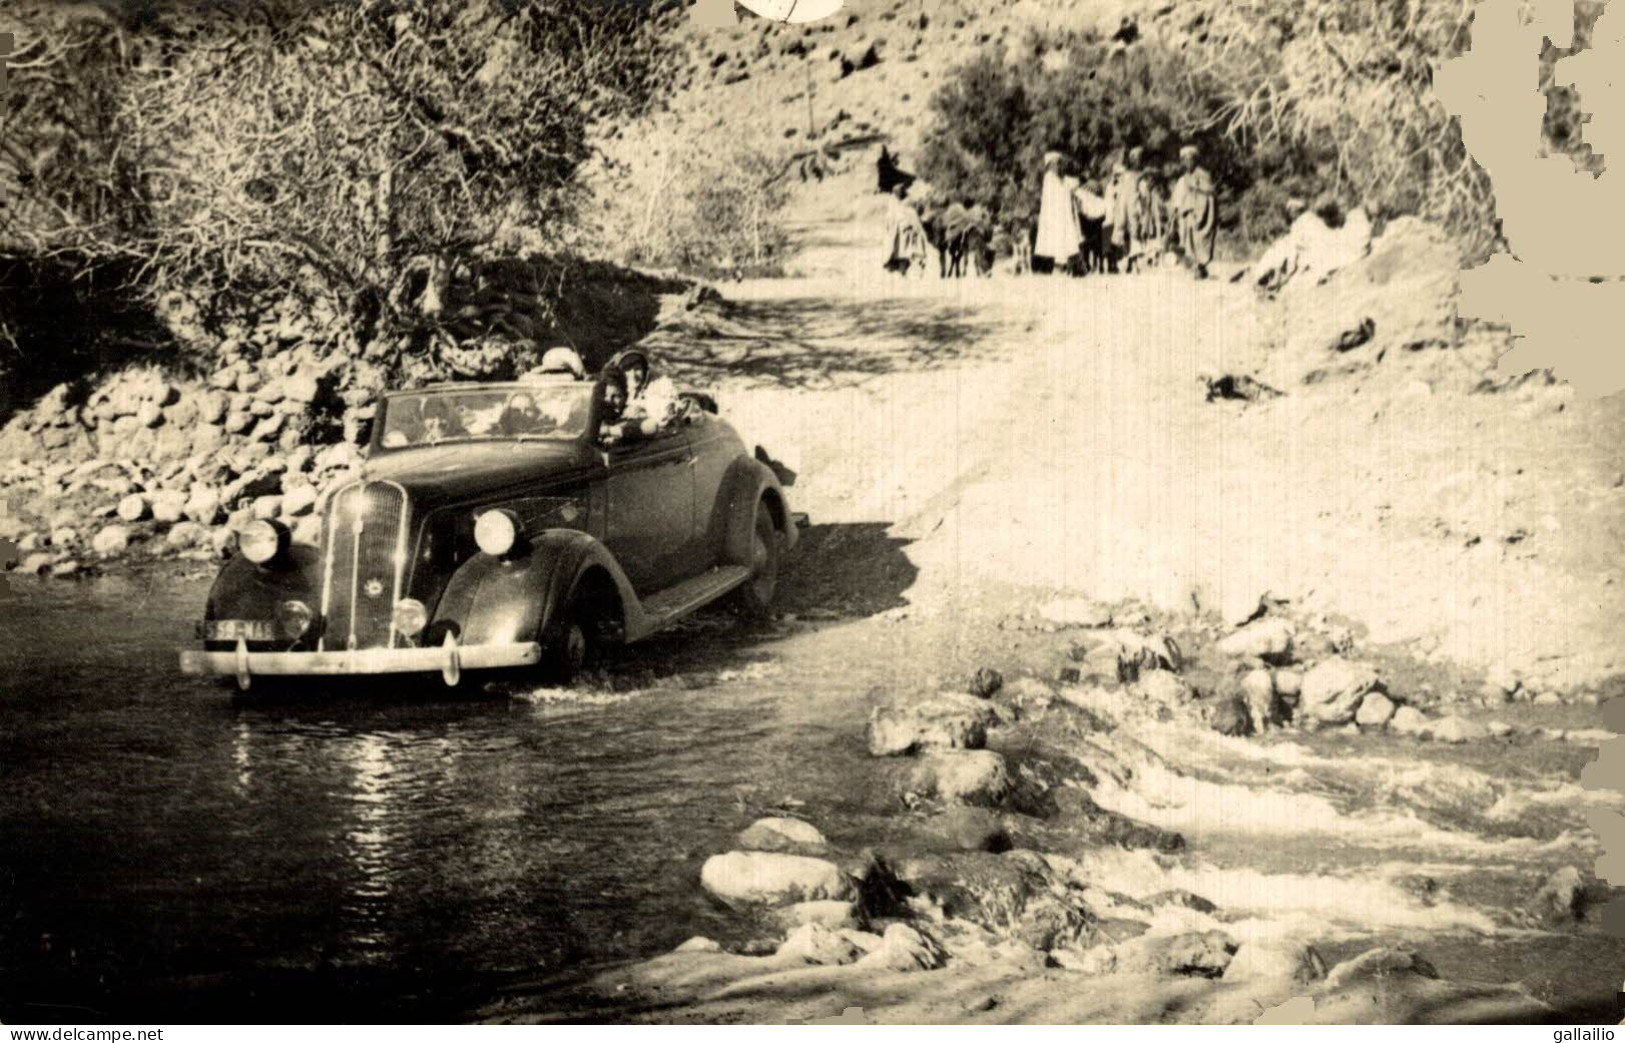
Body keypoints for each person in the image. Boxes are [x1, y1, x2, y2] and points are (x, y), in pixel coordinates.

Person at [1170, 144, 1218, 277]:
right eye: (1184, 160)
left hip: (1203, 214)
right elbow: (1181, 197)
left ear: (1195, 160)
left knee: (1201, 241)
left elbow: (1209, 194)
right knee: (1189, 242)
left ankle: (1201, 266)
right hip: (1189, 214)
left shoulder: (1203, 175)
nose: (1187, 163)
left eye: (1190, 159)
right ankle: (1197, 267)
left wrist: (1200, 212)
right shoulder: (1185, 178)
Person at [1033, 151, 1082, 274]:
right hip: (1056, 217)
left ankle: (1070, 266)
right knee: (1060, 242)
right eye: (1057, 163)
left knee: (1067, 241)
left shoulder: (1057, 179)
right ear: (1051, 164)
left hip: (1062, 216)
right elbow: (1062, 192)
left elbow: (1071, 184)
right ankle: (1061, 267)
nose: (1059, 165)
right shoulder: (1049, 178)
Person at [880, 184, 931, 278]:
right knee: (909, 254)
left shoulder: (894, 208)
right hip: (907, 236)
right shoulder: (907, 208)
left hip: (900, 237)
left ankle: (905, 273)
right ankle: (907, 273)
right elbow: (917, 224)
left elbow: (887, 224)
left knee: (902, 254)